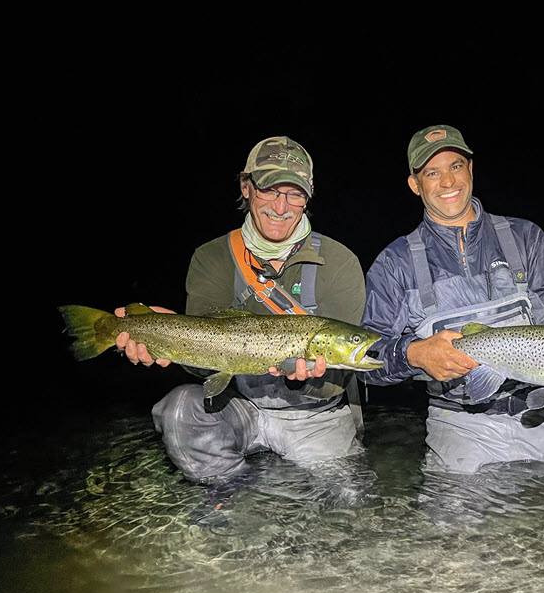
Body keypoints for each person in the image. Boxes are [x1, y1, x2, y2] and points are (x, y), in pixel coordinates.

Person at [115, 136, 368, 490]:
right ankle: (231, 492)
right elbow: (203, 363)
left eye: (294, 193)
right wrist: (163, 333)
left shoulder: (340, 263)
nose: (280, 207)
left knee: (347, 499)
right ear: (246, 187)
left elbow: (335, 380)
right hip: (241, 405)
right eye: (268, 189)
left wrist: (309, 377)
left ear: (308, 197)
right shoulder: (212, 257)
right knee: (179, 410)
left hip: (315, 416)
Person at [361, 124, 544, 477]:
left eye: (456, 167)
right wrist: (412, 353)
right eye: (432, 172)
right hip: (460, 424)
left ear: (471, 170)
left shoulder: (526, 238)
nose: (448, 182)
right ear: (415, 185)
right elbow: (365, 357)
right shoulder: (395, 262)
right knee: (456, 527)